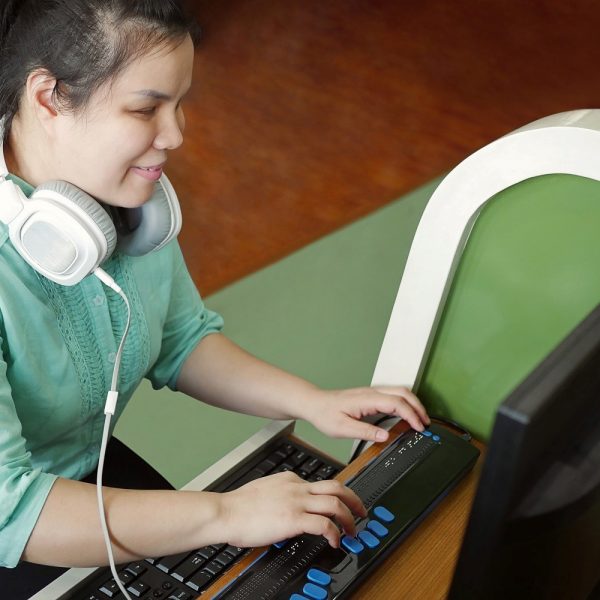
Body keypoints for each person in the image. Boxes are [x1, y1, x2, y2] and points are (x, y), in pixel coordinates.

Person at [0, 0, 429, 596]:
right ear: (48, 97)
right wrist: (226, 514)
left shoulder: (121, 208)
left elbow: (181, 337)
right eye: (147, 108)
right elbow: (10, 509)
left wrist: (313, 401)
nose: (175, 135)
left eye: (179, 105)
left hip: (82, 471)